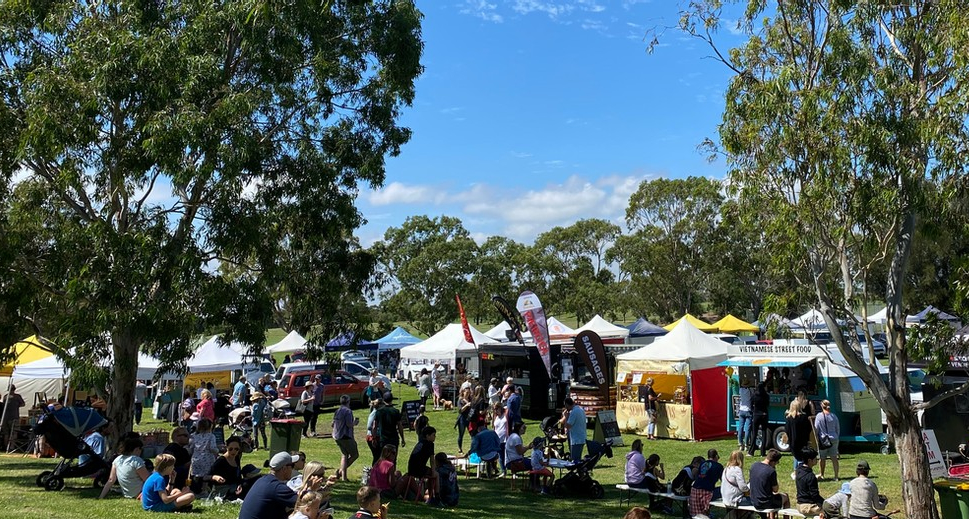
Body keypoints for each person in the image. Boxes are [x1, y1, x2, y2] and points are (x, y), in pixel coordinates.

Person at [238, 452, 300, 519]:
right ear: (284, 469)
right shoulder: (277, 487)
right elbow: (304, 503)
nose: (293, 469)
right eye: (292, 466)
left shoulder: (262, 480)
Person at [749, 449, 790, 514]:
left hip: (754, 500)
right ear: (773, 462)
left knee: (773, 497)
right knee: (785, 496)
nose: (778, 463)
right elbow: (775, 490)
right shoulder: (771, 471)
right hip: (765, 503)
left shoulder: (754, 466)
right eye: (777, 461)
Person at [405, 425, 438, 503]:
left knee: (430, 474)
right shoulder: (430, 444)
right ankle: (436, 496)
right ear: (427, 436)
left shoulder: (420, 443)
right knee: (436, 475)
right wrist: (433, 472)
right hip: (419, 470)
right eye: (433, 435)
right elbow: (432, 461)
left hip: (411, 469)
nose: (435, 437)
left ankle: (430, 496)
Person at [332, 394, 360, 481]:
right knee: (355, 455)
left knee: (344, 455)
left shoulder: (337, 410)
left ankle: (343, 477)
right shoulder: (348, 411)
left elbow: (332, 424)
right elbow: (349, 424)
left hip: (337, 436)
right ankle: (341, 472)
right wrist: (355, 423)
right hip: (346, 436)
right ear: (348, 402)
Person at [690, 449, 723, 517]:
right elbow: (724, 481)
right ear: (716, 456)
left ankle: (706, 512)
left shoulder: (702, 464)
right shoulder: (718, 466)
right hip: (706, 492)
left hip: (694, 490)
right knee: (723, 490)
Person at [795, 447, 825, 518]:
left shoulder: (799, 469)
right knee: (831, 510)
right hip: (808, 507)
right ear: (809, 460)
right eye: (815, 458)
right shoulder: (810, 476)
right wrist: (825, 503)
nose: (816, 460)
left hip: (799, 505)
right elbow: (814, 495)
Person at [190, 418, 219, 488]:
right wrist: (218, 450)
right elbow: (212, 448)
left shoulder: (194, 436)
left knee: (196, 475)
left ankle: (195, 487)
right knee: (206, 475)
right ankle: (204, 489)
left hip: (195, 458)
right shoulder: (211, 436)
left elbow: (191, 447)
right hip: (207, 458)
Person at [815, 399, 840, 479]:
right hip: (834, 438)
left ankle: (822, 474)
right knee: (834, 458)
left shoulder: (819, 416)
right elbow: (837, 429)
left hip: (823, 440)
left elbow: (816, 428)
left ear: (822, 406)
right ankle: (836, 476)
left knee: (822, 458)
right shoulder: (834, 416)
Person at [785, 399, 812, 474]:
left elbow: (787, 430)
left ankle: (795, 471)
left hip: (793, 441)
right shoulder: (804, 417)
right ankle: (800, 472)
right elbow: (808, 429)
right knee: (801, 458)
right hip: (803, 441)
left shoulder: (789, 418)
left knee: (796, 456)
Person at [561, 397, 587, 462]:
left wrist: (566, 416)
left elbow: (567, 426)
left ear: (567, 404)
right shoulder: (580, 409)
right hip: (581, 437)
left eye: (565, 405)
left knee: (574, 460)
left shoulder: (574, 412)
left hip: (576, 439)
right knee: (577, 458)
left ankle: (578, 470)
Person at [748, 382, 770, 456]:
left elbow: (750, 405)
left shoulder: (754, 395)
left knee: (754, 433)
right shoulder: (766, 396)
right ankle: (762, 452)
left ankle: (751, 451)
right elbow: (768, 404)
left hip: (756, 414)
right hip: (764, 414)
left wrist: (753, 411)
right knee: (764, 433)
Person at [455, 387, 473, 454]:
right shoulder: (460, 400)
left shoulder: (470, 399)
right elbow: (460, 410)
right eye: (466, 392)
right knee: (461, 434)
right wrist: (466, 405)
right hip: (462, 419)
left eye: (469, 393)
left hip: (469, 418)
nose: (468, 394)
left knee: (472, 434)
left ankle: (472, 448)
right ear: (463, 392)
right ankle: (460, 448)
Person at [492, 403, 508, 476]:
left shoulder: (505, 414)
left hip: (505, 438)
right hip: (497, 439)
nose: (495, 411)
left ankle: (510, 469)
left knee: (507, 455)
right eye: (494, 409)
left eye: (496, 409)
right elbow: (494, 427)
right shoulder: (495, 416)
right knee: (500, 455)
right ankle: (503, 470)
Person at [737, 377, 754, 449]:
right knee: (747, 428)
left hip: (741, 410)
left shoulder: (740, 390)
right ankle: (747, 444)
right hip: (748, 410)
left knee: (740, 428)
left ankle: (740, 443)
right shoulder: (750, 390)